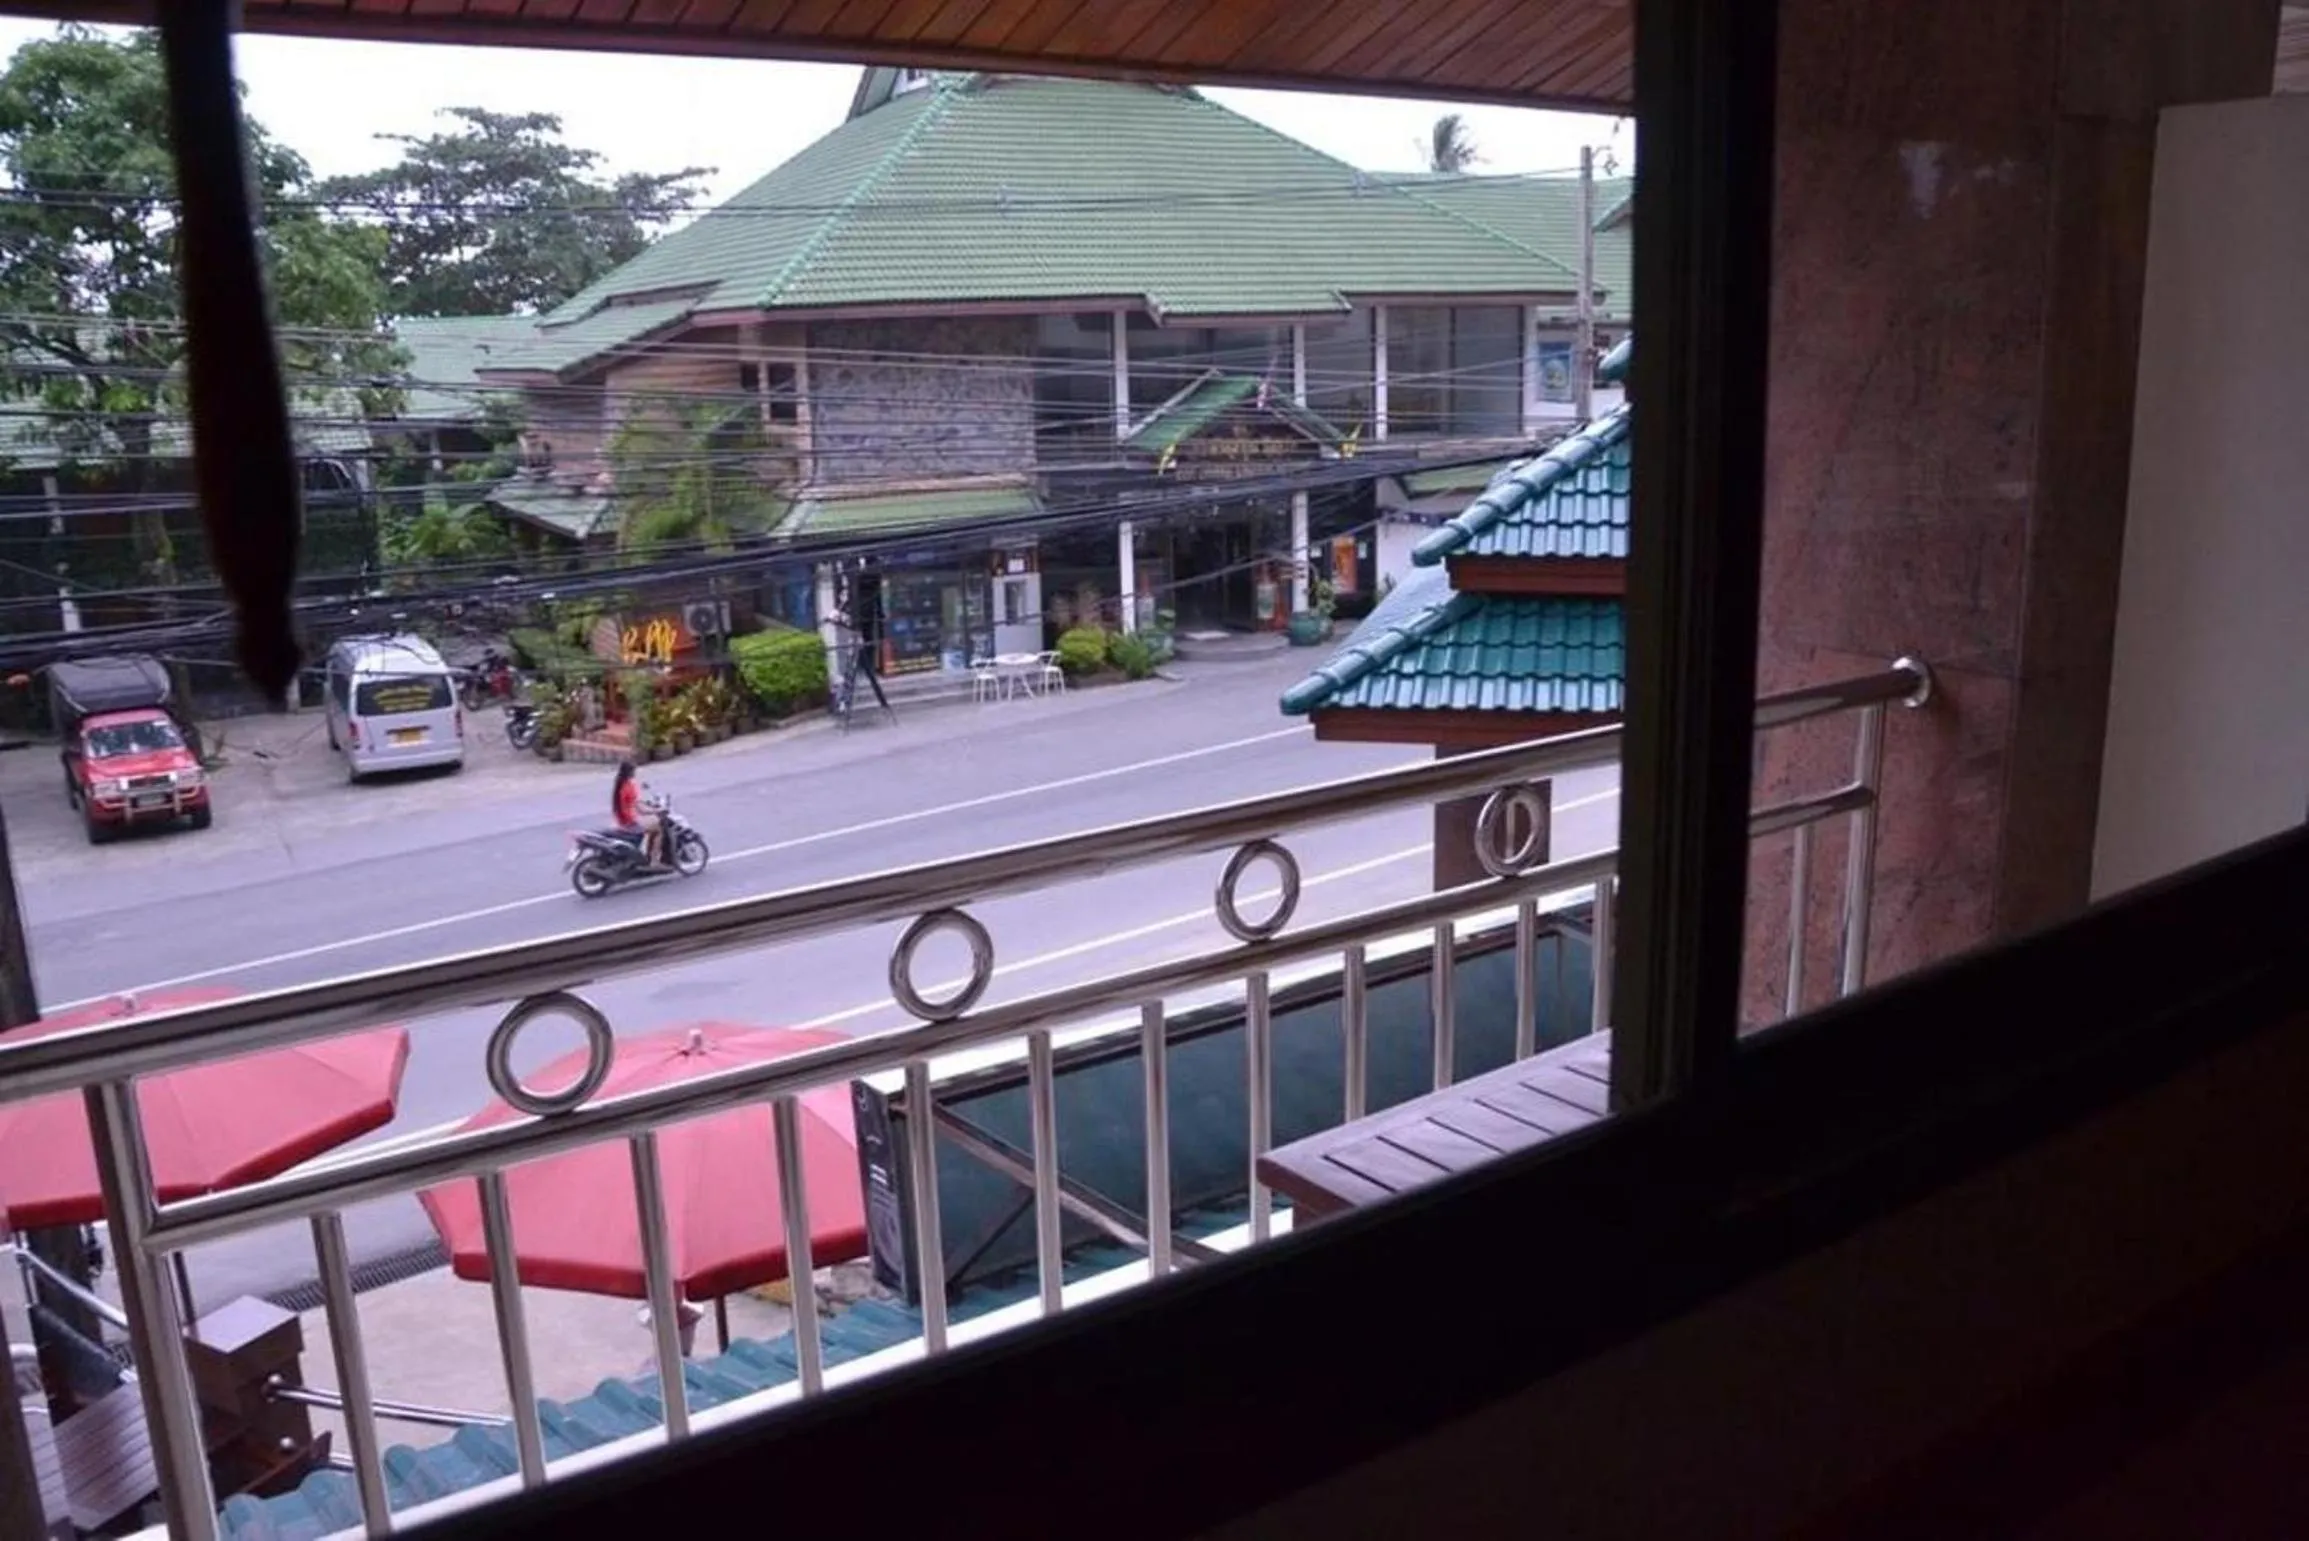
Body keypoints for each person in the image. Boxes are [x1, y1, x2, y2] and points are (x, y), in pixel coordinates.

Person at [611, 759, 663, 869]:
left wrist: (646, 804)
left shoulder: (620, 784)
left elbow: (633, 802)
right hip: (631, 822)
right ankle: (654, 861)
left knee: (652, 825)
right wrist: (656, 811)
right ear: (631, 772)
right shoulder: (630, 786)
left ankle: (648, 855)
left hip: (622, 821)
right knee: (658, 828)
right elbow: (640, 810)